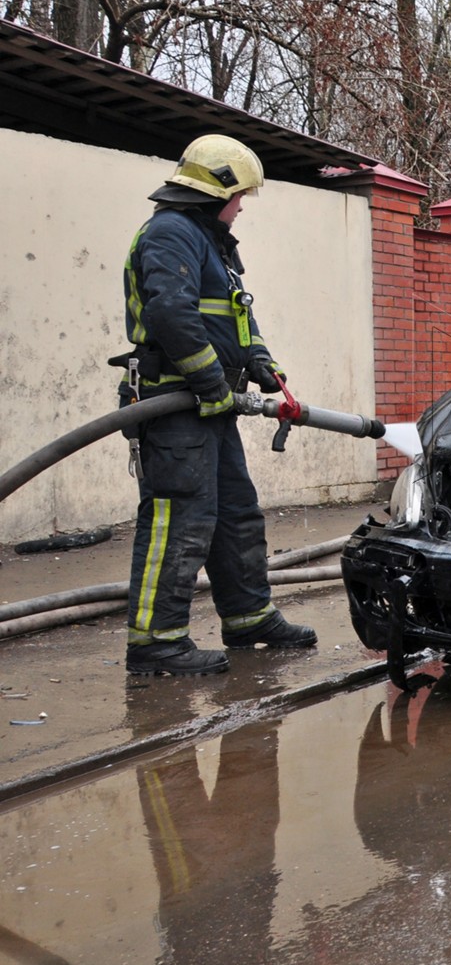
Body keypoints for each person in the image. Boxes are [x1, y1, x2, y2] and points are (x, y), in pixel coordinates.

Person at [119, 135, 316, 676]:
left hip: (209, 407)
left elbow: (235, 316)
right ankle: (156, 643)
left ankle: (249, 617)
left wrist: (260, 361)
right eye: (240, 196)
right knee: (178, 519)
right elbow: (171, 317)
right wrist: (211, 383)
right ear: (216, 191)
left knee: (235, 515)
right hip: (172, 404)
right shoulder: (170, 234)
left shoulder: (211, 241)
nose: (242, 207)